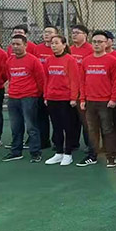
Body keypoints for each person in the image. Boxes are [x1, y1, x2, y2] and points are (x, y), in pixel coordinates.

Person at [78, 31, 116, 168]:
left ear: (106, 43)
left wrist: (113, 99)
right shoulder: (86, 61)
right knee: (92, 130)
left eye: (100, 42)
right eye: (94, 42)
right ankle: (92, 156)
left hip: (105, 102)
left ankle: (111, 156)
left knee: (107, 130)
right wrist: (82, 99)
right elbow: (82, 81)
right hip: (90, 101)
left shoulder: (112, 61)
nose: (97, 44)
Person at [2, 35, 45, 162]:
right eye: (13, 44)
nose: (15, 47)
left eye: (18, 44)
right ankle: (16, 151)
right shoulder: (9, 61)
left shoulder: (33, 60)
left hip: (29, 98)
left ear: (25, 45)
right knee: (15, 127)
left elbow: (41, 80)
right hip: (13, 98)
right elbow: (10, 77)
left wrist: (35, 94)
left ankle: (35, 152)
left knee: (31, 127)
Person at [43, 35, 80, 166]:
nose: (53, 45)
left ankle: (68, 154)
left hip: (66, 99)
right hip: (52, 98)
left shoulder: (70, 60)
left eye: (56, 43)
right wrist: (46, 96)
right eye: (52, 43)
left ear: (64, 45)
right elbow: (46, 79)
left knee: (68, 127)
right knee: (56, 127)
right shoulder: (48, 60)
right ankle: (59, 153)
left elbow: (74, 80)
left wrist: (73, 97)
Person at [70, 24, 93, 154]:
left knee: (86, 120)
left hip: (84, 89)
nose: (74, 35)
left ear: (85, 35)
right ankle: (73, 143)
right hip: (70, 89)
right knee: (72, 119)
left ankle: (90, 145)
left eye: (77, 32)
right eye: (73, 32)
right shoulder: (70, 49)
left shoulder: (90, 49)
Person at [35, 26, 58, 151]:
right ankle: (44, 140)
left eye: (50, 32)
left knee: (55, 117)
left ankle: (57, 141)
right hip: (40, 87)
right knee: (41, 117)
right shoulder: (37, 48)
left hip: (53, 87)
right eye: (45, 32)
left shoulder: (58, 49)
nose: (46, 34)